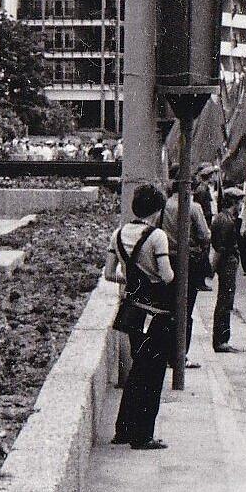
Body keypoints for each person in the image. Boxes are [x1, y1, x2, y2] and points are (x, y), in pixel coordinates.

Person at [108, 185, 176, 450]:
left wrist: (130, 279)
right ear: (157, 211)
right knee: (152, 373)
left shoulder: (118, 233)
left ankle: (122, 429)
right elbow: (167, 275)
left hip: (132, 311)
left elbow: (108, 273)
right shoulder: (158, 236)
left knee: (137, 368)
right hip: (156, 313)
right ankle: (143, 434)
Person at [209, 187, 244, 352]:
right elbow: (220, 249)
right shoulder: (226, 221)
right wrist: (213, 268)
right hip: (227, 264)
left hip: (228, 262)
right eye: (239, 202)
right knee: (225, 301)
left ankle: (222, 338)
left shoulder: (223, 218)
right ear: (234, 202)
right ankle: (221, 340)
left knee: (225, 300)